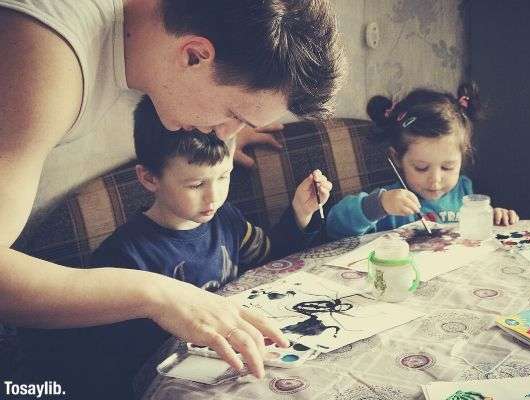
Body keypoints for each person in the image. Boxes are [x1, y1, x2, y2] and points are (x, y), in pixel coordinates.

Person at [0, 0, 344, 380]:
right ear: (195, 55)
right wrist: (164, 296)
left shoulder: (133, 33)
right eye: (233, 114)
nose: (224, 132)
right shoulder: (44, 58)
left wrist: (226, 134)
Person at [21, 96, 333, 398]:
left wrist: (300, 213)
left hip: (236, 366)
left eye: (224, 177)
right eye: (196, 184)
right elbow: (108, 362)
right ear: (149, 178)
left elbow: (271, 260)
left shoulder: (226, 219)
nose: (213, 198)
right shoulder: (124, 257)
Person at [326, 83, 519, 240]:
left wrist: (494, 216)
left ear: (463, 156)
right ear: (397, 158)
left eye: (447, 167)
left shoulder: (464, 192)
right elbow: (335, 227)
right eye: (421, 167)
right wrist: (377, 205)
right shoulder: (390, 201)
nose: (435, 180)